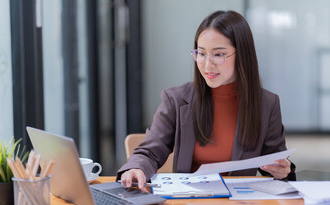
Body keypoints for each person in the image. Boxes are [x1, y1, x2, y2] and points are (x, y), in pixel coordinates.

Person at [117, 10, 296, 192]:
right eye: (201, 53)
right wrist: (136, 167)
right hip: (190, 203)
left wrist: (282, 170)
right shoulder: (177, 100)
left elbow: (275, 164)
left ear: (242, 54)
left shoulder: (267, 104)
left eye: (218, 55)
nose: (207, 64)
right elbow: (150, 151)